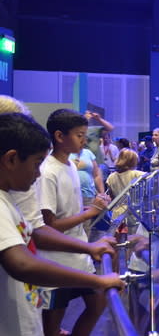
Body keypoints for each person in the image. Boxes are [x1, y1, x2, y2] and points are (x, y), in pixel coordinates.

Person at [0, 112, 124, 336]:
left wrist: (89, 247)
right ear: (11, 160)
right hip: (26, 305)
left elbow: (35, 231)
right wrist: (97, 279)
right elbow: (23, 263)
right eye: (36, 164)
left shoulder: (8, 200)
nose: (37, 174)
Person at [36, 109, 114, 336]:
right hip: (56, 259)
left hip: (79, 254)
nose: (84, 140)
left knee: (97, 304)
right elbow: (48, 226)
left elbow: (69, 211)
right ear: (60, 137)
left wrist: (92, 208)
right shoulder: (47, 172)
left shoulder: (70, 165)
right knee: (53, 321)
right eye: (79, 135)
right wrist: (91, 213)